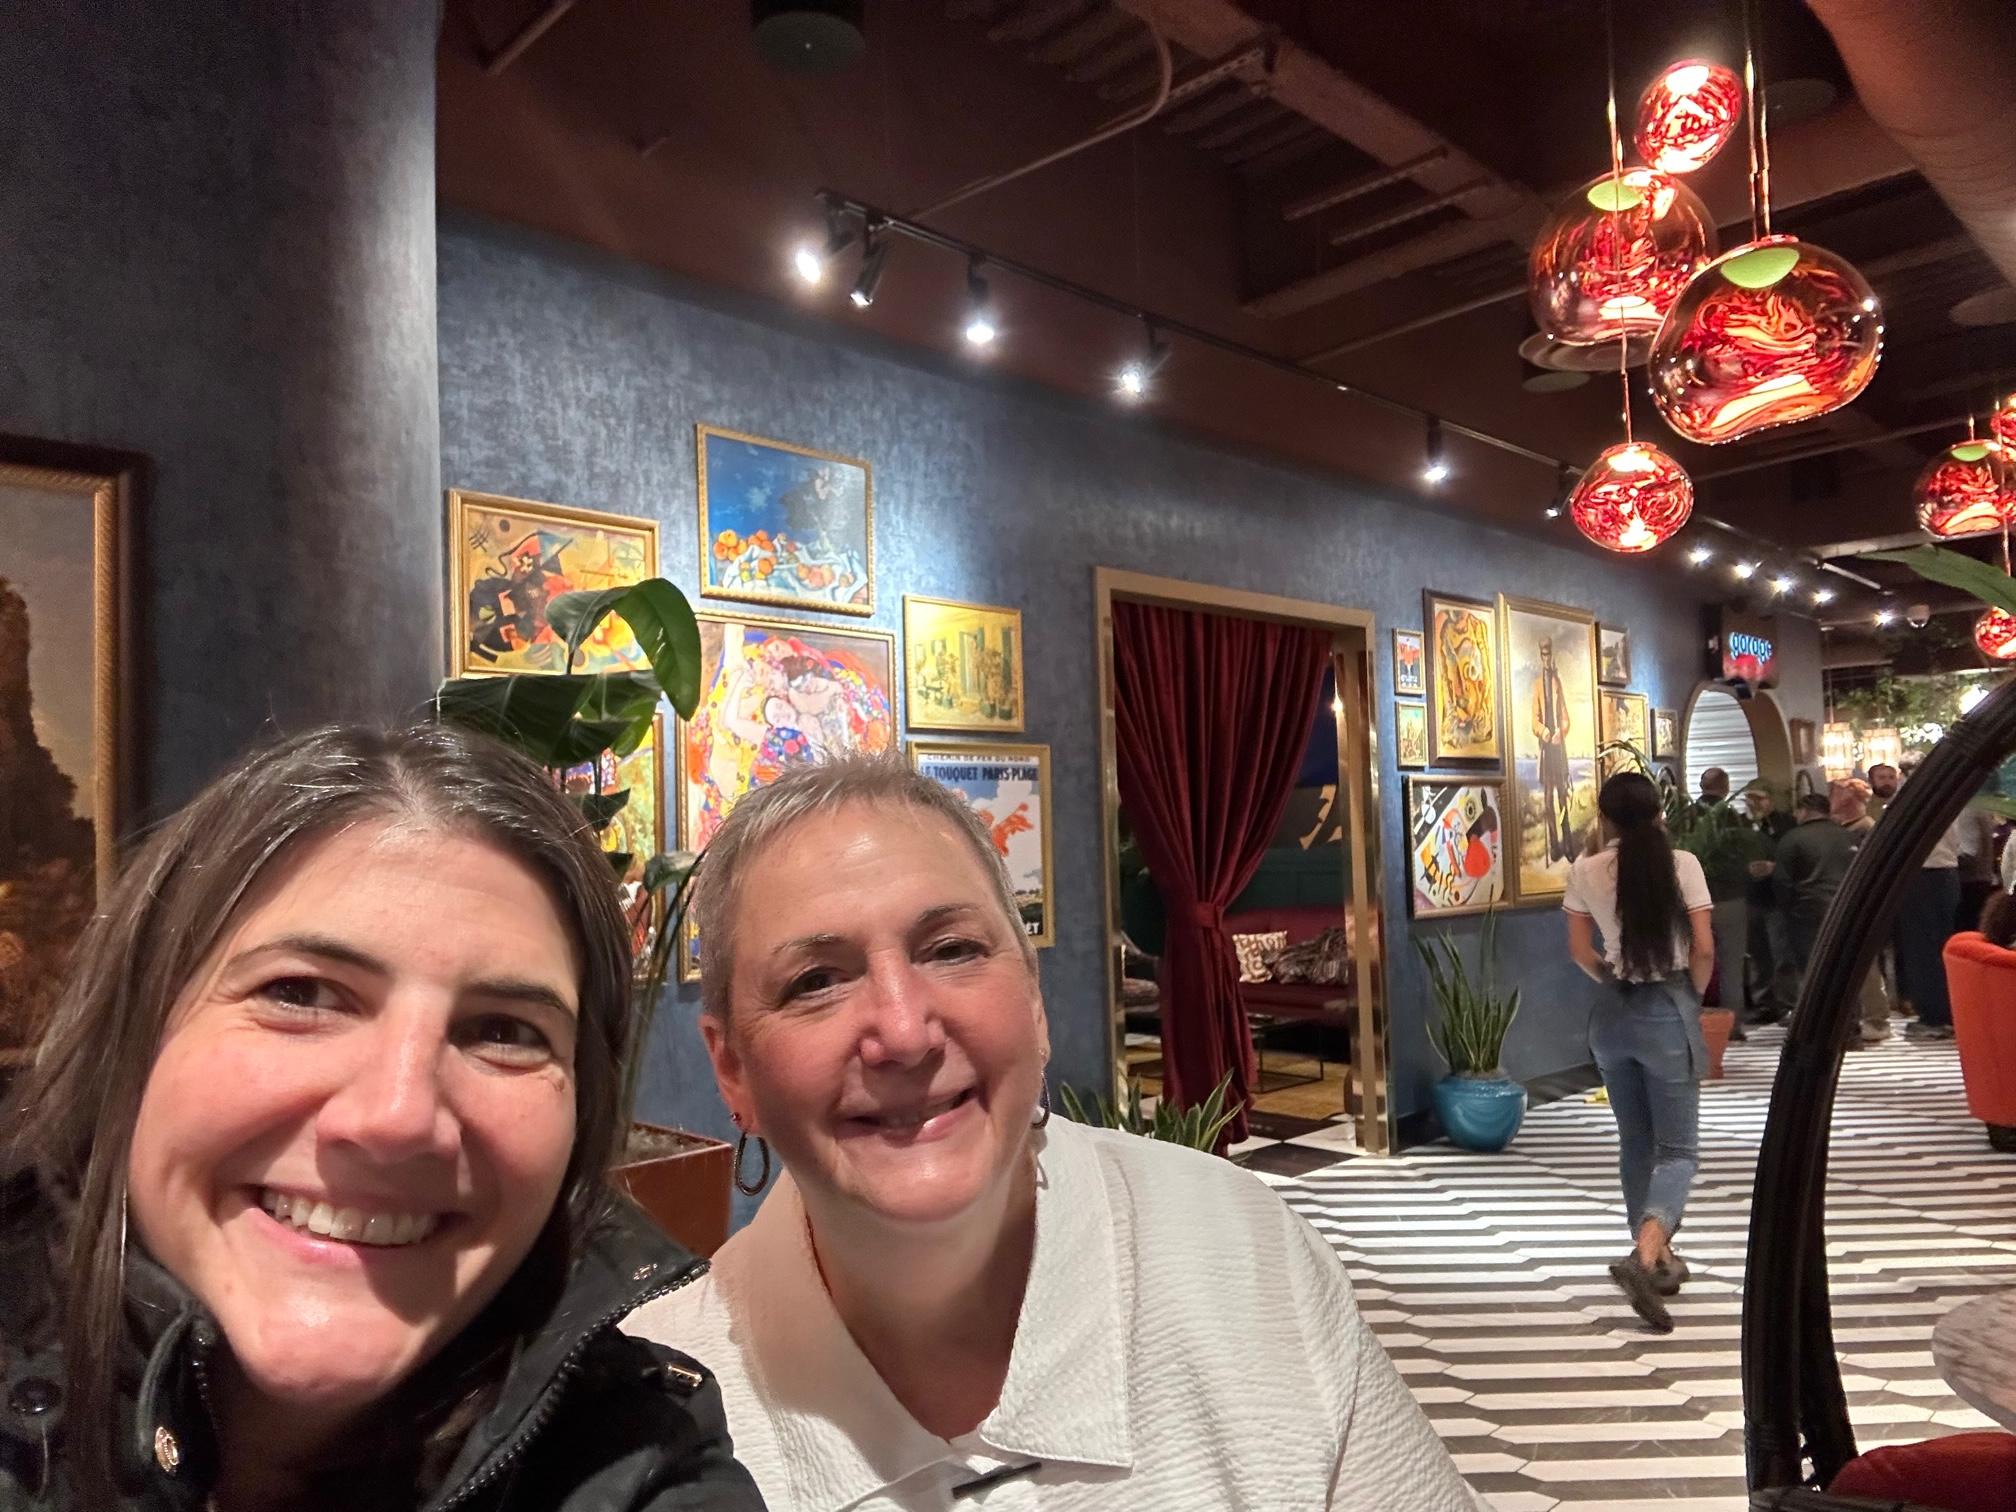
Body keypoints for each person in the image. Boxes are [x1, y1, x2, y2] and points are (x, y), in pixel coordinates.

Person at [626, 757, 1480, 1510]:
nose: (905, 1030)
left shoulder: (1238, 1250)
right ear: (732, 1070)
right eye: (817, 980)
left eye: (952, 949)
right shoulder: (647, 1415)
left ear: (1032, 1000)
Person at [0, 725, 761, 1511]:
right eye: (299, 993)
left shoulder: (640, 1466)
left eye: (504, 1031)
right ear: (133, 1042)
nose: (397, 1118)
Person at [1564, 772, 1715, 1334]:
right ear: (1658, 812)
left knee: (1636, 1141)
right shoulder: (1683, 864)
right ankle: (1646, 1254)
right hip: (1667, 1005)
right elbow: (1703, 948)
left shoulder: (1584, 870)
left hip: (1611, 1013)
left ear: (1605, 818)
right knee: (1678, 1150)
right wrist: (1690, 996)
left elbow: (1580, 951)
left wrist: (1614, 980)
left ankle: (1659, 1262)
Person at [1829, 780, 1892, 1047]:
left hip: (1861, 903)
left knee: (1865, 964)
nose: (1831, 799)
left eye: (1835, 794)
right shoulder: (1842, 829)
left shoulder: (1865, 828)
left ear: (1850, 799)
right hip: (1845, 902)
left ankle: (1877, 1018)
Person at [1693, 768, 1753, 1034]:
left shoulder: (1686, 817)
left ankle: (1694, 1023)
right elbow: (1746, 856)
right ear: (1727, 787)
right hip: (1731, 899)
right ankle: (1733, 1025)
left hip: (1695, 901)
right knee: (1732, 964)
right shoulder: (1733, 818)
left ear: (1700, 785)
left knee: (1693, 961)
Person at [1743, 785, 1797, 1019]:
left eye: (1760, 798)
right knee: (1757, 954)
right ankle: (1764, 1003)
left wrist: (1774, 868)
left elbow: (1796, 858)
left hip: (1778, 899)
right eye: (1750, 798)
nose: (1755, 803)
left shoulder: (1786, 824)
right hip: (1752, 897)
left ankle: (1788, 1004)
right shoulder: (1742, 825)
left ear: (1771, 800)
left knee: (1782, 954)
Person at [1532, 636, 1575, 865]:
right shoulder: (1537, 685)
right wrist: (1544, 732)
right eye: (1544, 654)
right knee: (1548, 801)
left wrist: (1561, 730)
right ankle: (1554, 846)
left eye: (1549, 653)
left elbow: (1566, 716)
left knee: (1562, 798)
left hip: (1559, 751)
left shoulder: (1558, 682)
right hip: (1546, 751)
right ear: (1541, 656)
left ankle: (1568, 844)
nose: (1547, 658)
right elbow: (1534, 720)